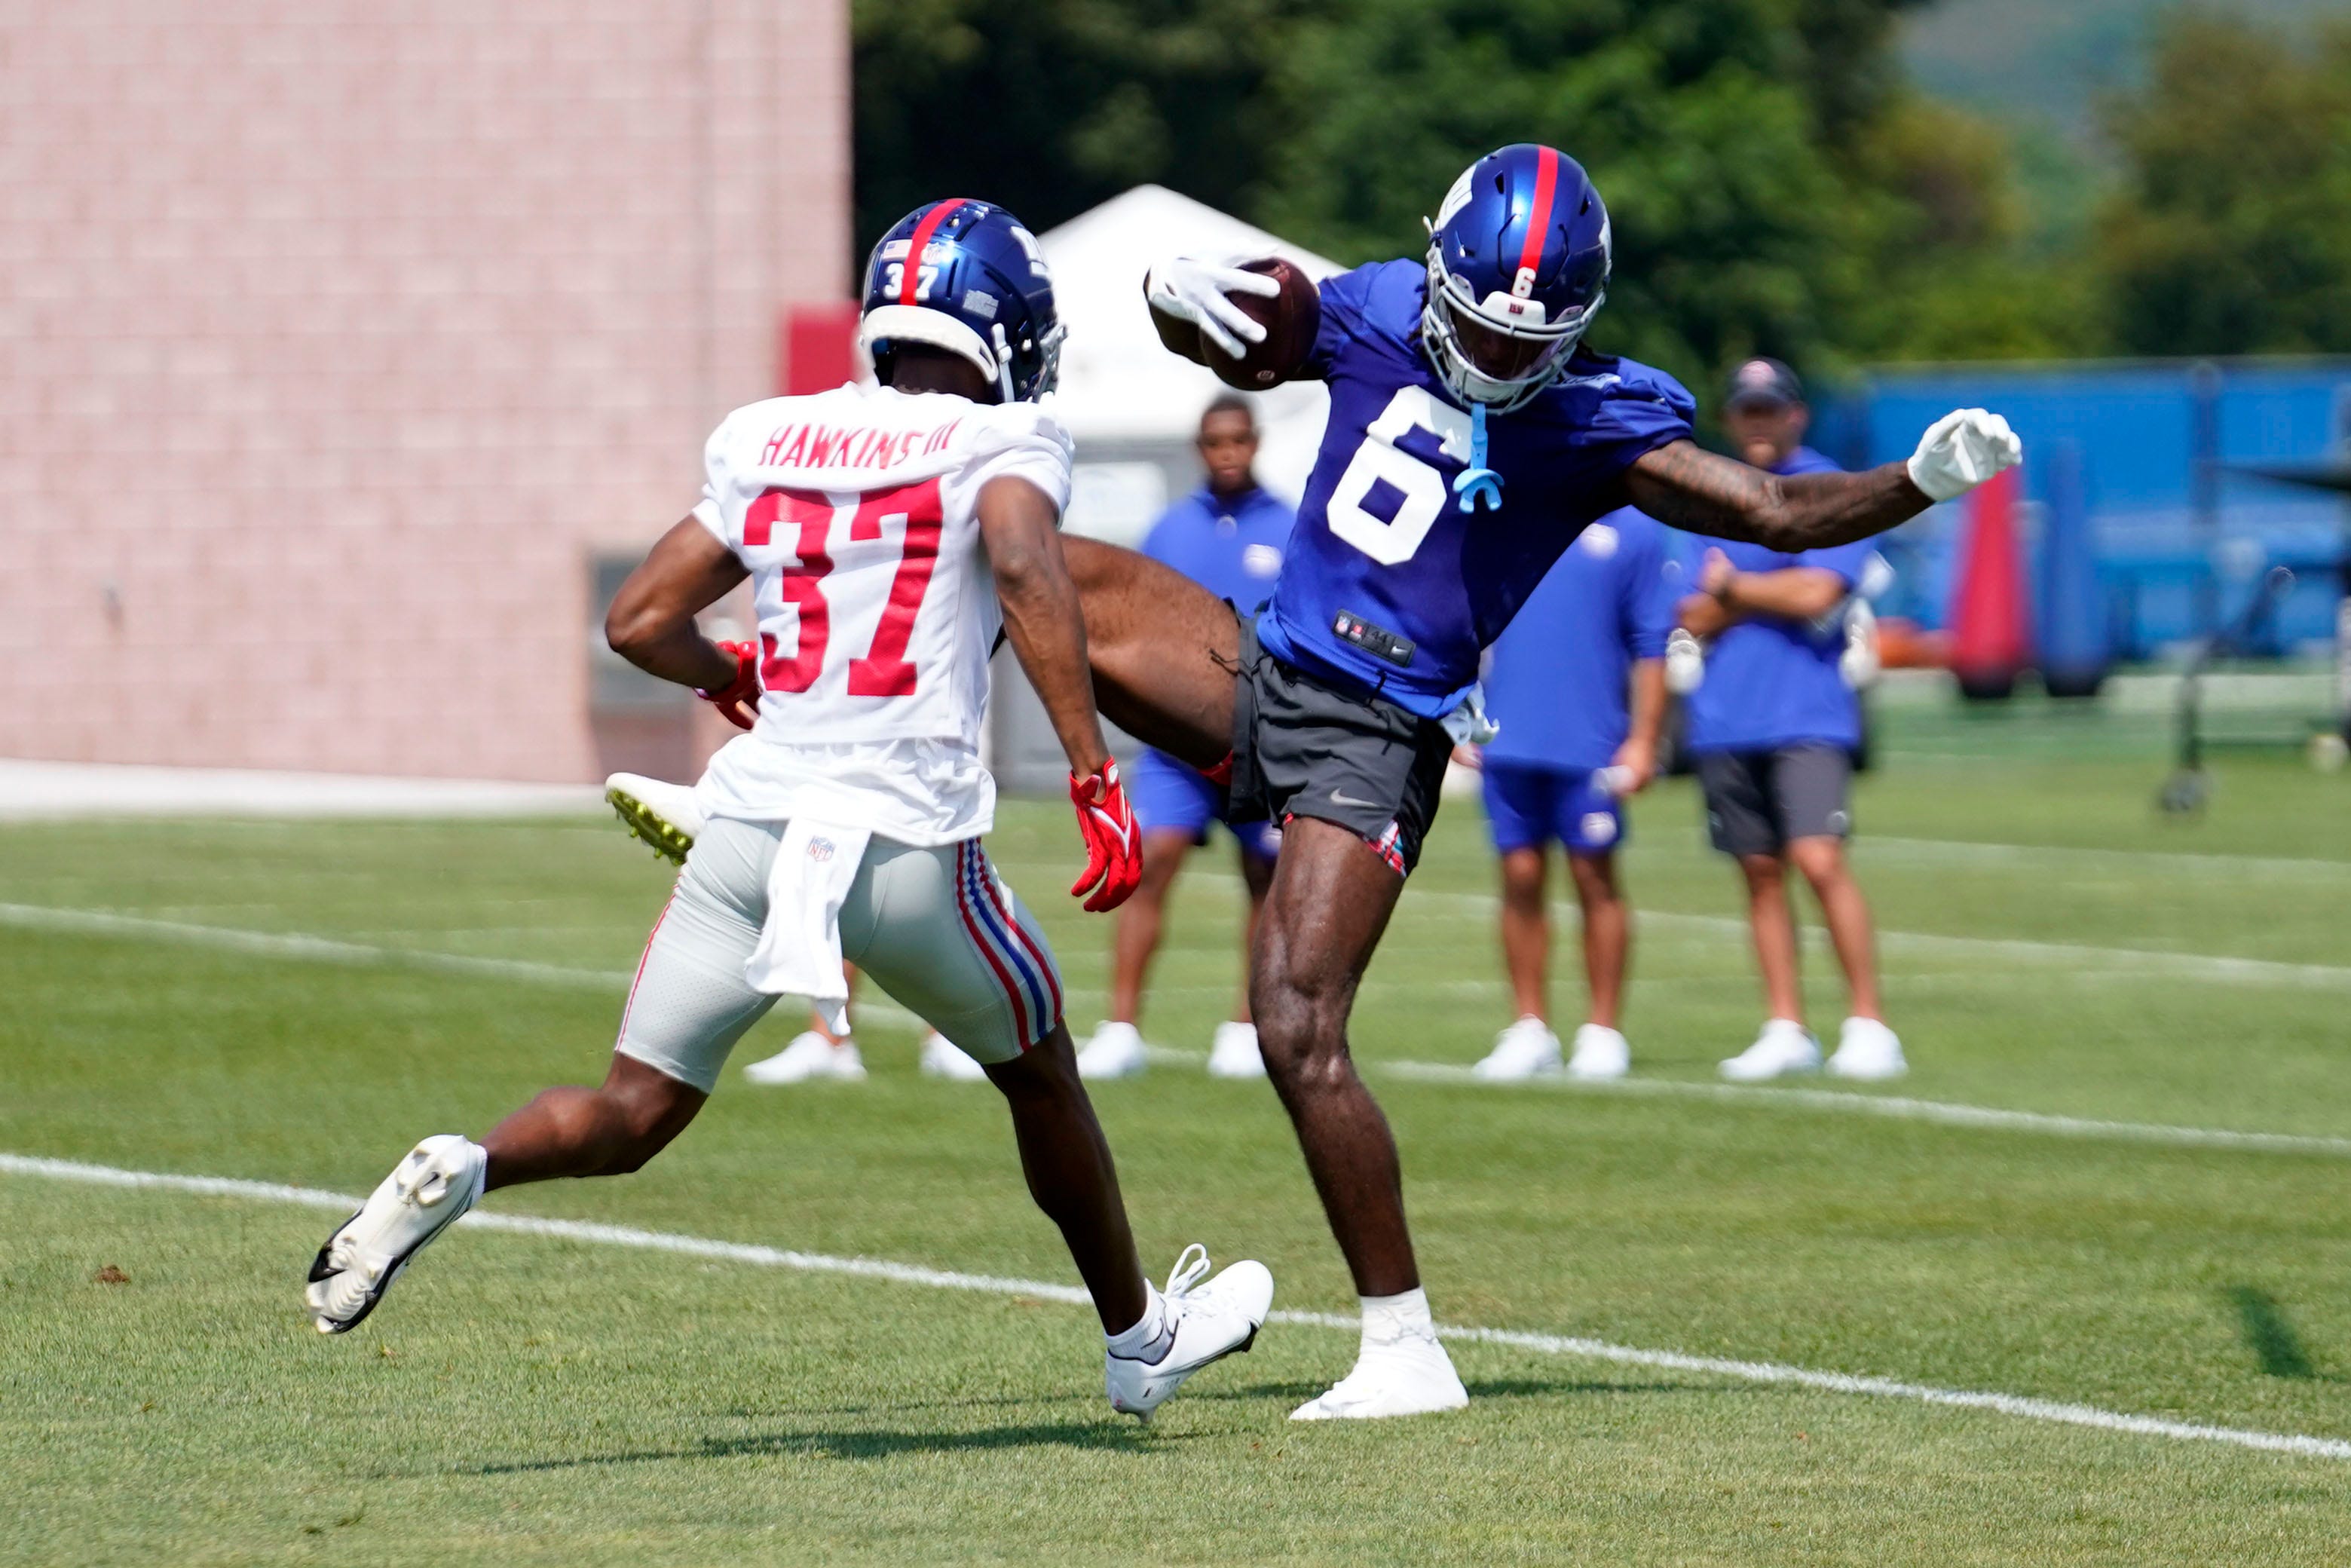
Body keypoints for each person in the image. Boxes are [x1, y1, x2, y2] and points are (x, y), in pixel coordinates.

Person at [307, 198, 1273, 1420]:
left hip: (750, 838)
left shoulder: (769, 433)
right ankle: (1137, 1339)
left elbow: (639, 622)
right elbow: (1028, 567)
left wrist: (729, 679)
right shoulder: (1001, 436)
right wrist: (1091, 773)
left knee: (631, 1108)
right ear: (1004, 326)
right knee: (1038, 1075)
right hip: (908, 844)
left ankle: (474, 1164)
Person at [1130, 142, 2019, 1419]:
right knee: (1048, 572)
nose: (1496, 363)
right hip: (1270, 666)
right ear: (1440, 277)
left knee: (1290, 1021)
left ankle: (1401, 1348)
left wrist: (1911, 483)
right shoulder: (1375, 305)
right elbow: (1244, 339)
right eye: (1481, 332)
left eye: (1521, 344)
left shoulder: (1595, 414)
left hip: (1377, 725)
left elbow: (1767, 508)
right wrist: (1172, 292)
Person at [1675, 358, 1905, 1083]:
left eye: (1769, 409)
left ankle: (1868, 1024)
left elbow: (1817, 592)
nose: (1758, 421)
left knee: (1819, 860)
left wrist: (1737, 588)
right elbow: (1688, 607)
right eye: (1746, 409)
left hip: (1807, 713)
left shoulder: (1826, 488)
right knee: (1759, 874)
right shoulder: (1711, 491)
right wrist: (1758, 591)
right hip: (1723, 717)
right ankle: (1785, 1025)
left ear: (1795, 414)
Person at [1076, 394, 1292, 1083]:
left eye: (1237, 440)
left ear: (1254, 442)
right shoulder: (1167, 530)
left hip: (1262, 744)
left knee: (1266, 879)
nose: (1226, 452)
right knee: (1150, 865)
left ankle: (1245, 1025)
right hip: (1175, 748)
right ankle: (1121, 1026)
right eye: (1213, 442)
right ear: (1199, 448)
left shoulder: (1290, 527)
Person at [1465, 504, 1675, 1082]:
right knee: (1519, 878)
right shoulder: (1506, 512)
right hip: (1507, 736)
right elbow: (1459, 620)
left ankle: (1602, 1031)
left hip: (1591, 740)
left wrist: (1643, 739)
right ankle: (1529, 1027)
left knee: (1594, 878)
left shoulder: (1632, 529)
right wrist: (1457, 715)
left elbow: (1652, 640)